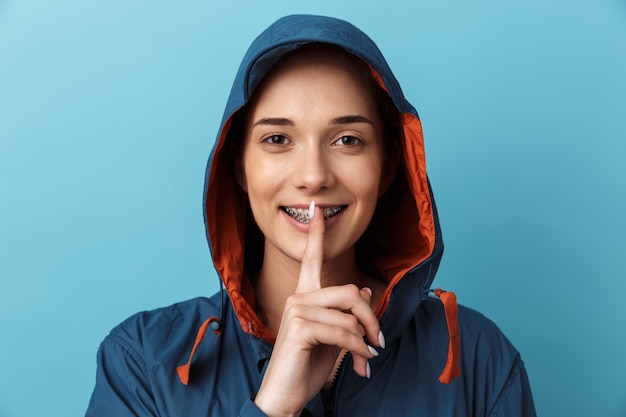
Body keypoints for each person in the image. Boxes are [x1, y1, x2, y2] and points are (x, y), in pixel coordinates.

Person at [86, 14, 536, 417]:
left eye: (347, 140)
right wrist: (273, 408)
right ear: (238, 167)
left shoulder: (476, 357)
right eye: (278, 139)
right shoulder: (141, 360)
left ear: (388, 168)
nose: (314, 176)